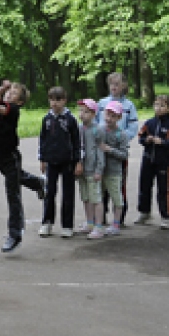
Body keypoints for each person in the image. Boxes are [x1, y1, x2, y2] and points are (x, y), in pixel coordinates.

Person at [0, 81, 45, 253]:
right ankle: (38, 184)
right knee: (16, 178)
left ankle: (15, 234)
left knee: (12, 192)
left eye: (14, 93)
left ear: (19, 102)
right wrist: (3, 88)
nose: (9, 94)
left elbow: (0, 109)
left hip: (9, 156)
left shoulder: (12, 110)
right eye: (9, 92)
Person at [37, 87, 81, 238]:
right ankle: (47, 222)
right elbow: (43, 140)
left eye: (58, 100)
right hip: (51, 161)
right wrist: (42, 158)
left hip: (67, 161)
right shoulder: (47, 119)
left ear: (64, 101)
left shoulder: (70, 119)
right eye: (51, 100)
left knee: (68, 194)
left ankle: (67, 225)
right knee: (49, 192)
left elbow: (77, 142)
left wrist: (78, 162)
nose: (54, 103)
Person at [135, 95, 169, 230]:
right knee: (144, 186)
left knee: (163, 189)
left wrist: (163, 142)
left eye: (162, 105)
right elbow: (140, 137)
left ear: (168, 108)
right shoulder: (149, 123)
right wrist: (147, 140)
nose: (158, 108)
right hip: (147, 159)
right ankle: (144, 212)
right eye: (156, 105)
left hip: (164, 162)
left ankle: (165, 216)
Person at [97, 72, 138, 225]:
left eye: (117, 84)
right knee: (100, 183)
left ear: (123, 86)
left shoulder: (129, 106)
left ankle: (119, 217)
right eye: (111, 84)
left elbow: (133, 126)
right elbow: (94, 123)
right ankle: (101, 216)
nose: (114, 87)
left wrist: (120, 138)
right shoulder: (101, 103)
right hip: (101, 150)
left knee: (118, 183)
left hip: (118, 149)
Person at [75, 99, 107, 239]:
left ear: (94, 114)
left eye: (86, 112)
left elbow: (101, 151)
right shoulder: (79, 128)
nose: (82, 114)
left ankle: (99, 226)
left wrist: (99, 170)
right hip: (82, 170)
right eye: (80, 111)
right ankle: (90, 223)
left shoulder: (98, 130)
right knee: (86, 198)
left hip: (93, 170)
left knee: (96, 198)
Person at [100, 101, 130, 236]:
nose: (109, 118)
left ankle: (116, 224)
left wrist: (109, 150)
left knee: (117, 199)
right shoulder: (99, 130)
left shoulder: (121, 134)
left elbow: (124, 155)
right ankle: (97, 222)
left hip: (114, 172)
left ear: (119, 118)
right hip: (100, 172)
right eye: (107, 115)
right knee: (98, 198)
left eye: (113, 116)